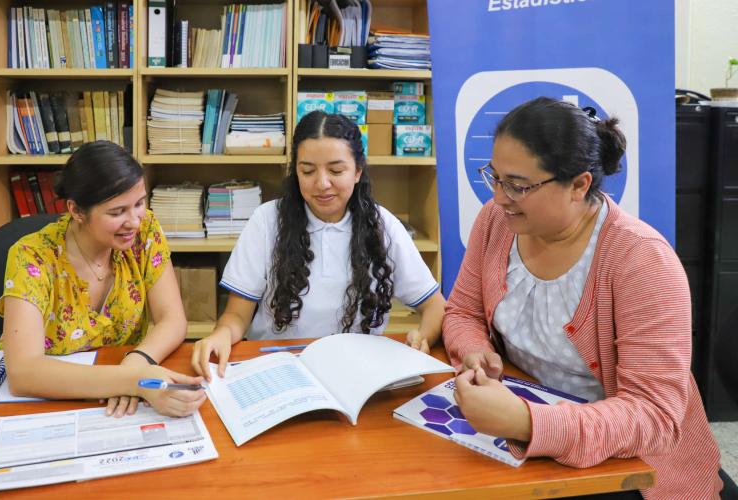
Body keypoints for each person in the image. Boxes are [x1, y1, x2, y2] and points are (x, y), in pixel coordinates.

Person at [442, 97, 722, 499]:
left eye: (518, 185)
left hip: (629, 465)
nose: (500, 196)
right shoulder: (496, 222)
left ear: (579, 185)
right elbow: (463, 311)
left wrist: (529, 422)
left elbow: (655, 416)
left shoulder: (641, 260)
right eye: (495, 176)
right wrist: (474, 350)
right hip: (519, 430)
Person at [192, 111, 445, 380]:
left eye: (336, 170)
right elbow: (236, 315)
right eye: (308, 171)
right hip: (278, 368)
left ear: (358, 171)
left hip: (357, 372)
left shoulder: (384, 226)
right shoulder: (267, 221)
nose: (322, 184)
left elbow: (435, 306)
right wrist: (221, 334)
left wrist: (422, 336)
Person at [0, 141, 206, 418]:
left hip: (122, 403)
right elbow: (23, 373)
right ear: (76, 211)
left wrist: (136, 363)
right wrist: (136, 381)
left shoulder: (145, 231)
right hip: (49, 404)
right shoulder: (32, 257)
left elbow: (172, 319)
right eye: (117, 212)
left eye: (139, 204)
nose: (133, 221)